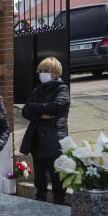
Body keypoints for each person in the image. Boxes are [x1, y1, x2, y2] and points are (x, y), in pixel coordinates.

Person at [20, 57, 70, 204]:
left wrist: (34, 107)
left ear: (56, 73)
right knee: (40, 179)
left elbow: (55, 106)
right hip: (36, 139)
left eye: (46, 71)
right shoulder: (38, 89)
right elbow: (25, 111)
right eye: (40, 71)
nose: (42, 74)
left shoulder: (62, 89)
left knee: (57, 179)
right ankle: (40, 203)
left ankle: (59, 205)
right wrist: (40, 115)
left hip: (54, 139)